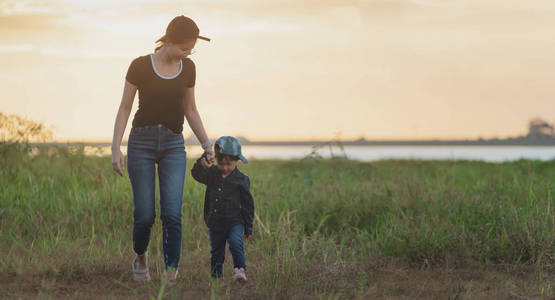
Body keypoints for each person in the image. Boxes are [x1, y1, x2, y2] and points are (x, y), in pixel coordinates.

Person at [110, 15, 214, 286]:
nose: (188, 53)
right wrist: (115, 148)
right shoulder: (140, 66)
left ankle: (170, 270)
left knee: (172, 213)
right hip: (141, 144)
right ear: (168, 41)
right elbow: (124, 108)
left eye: (191, 49)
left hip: (173, 145)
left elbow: (190, 109)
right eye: (184, 48)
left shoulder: (189, 68)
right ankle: (141, 257)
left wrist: (207, 144)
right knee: (144, 215)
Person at [191, 136, 255, 281]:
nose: (225, 168)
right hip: (216, 222)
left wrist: (248, 227)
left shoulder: (241, 179)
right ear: (216, 159)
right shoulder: (212, 174)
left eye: (229, 164)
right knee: (217, 251)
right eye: (221, 163)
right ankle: (216, 276)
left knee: (235, 244)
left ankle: (240, 270)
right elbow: (195, 174)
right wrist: (204, 159)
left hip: (235, 222)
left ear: (237, 161)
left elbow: (248, 205)